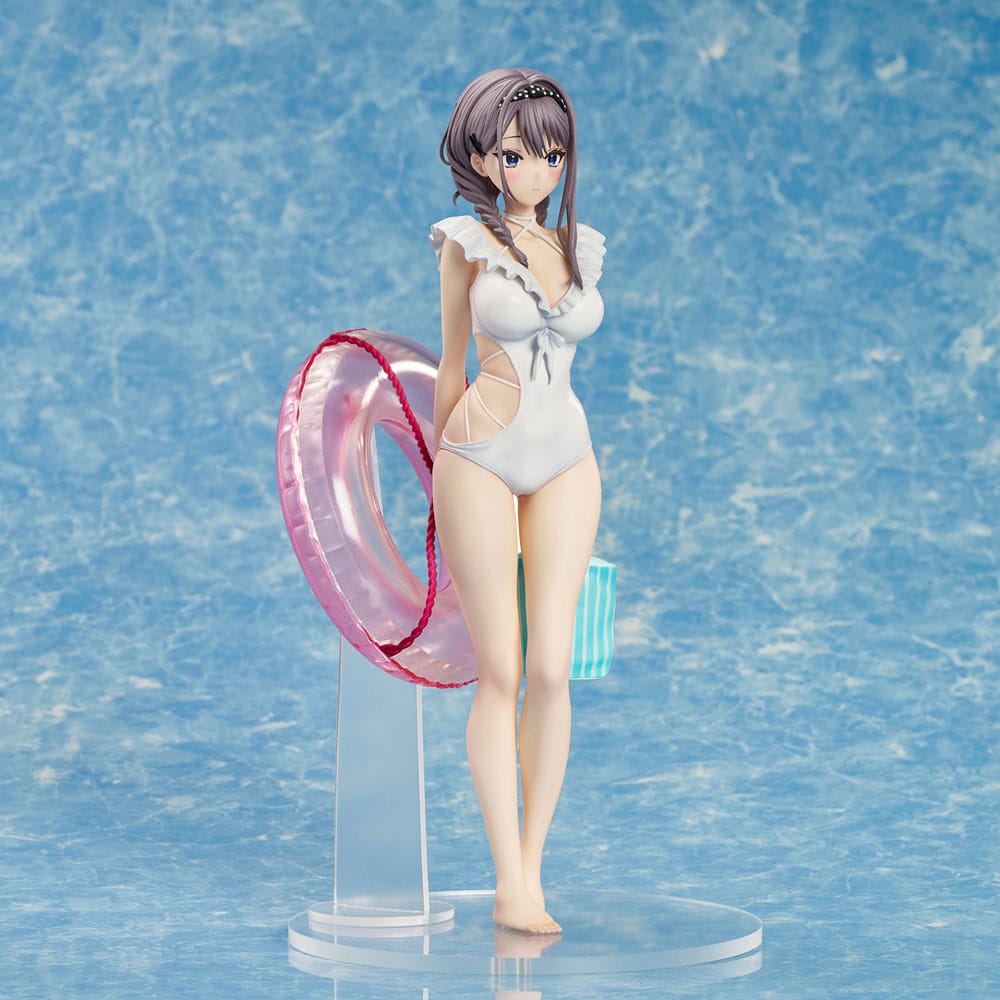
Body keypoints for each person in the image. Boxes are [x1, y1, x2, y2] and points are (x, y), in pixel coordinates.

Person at [431, 68, 606, 935]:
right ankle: (508, 880)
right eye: (514, 155)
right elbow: (451, 362)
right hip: (479, 455)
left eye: (552, 156)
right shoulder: (464, 243)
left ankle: (533, 869)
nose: (535, 171)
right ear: (482, 156)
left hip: (568, 456)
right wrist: (436, 477)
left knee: (552, 669)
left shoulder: (581, 245)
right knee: (501, 669)